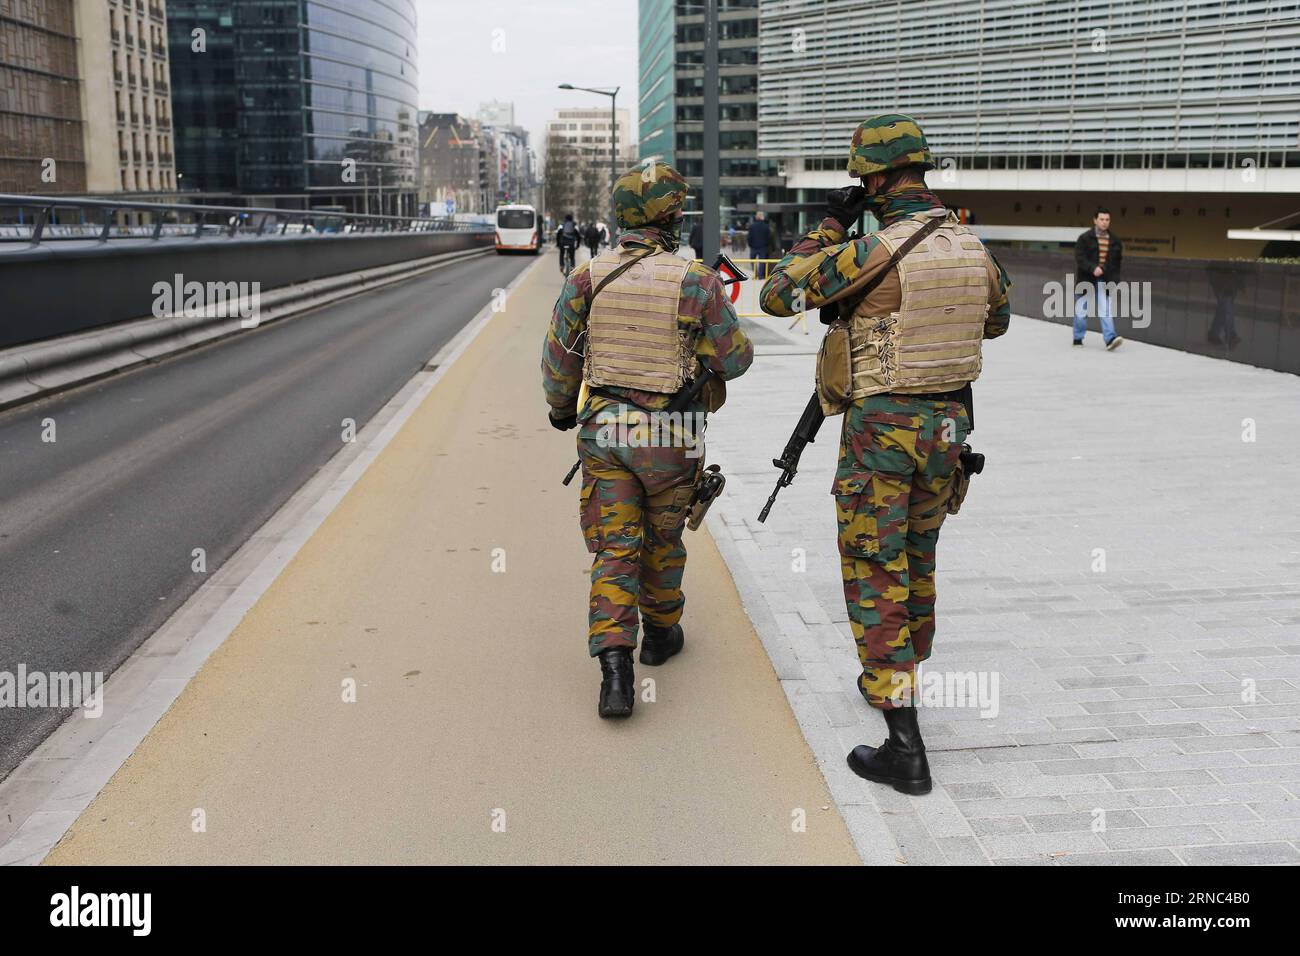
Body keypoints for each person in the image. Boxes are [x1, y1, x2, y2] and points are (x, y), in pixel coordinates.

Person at [759, 114, 1011, 795]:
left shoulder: (874, 252)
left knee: (875, 562)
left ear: (872, 177)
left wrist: (828, 228)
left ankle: (904, 746)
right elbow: (999, 318)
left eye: (861, 179)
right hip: (951, 430)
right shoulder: (972, 248)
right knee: (919, 554)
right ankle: (902, 670)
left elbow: (777, 292)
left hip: (884, 432)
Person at [541, 162, 754, 718]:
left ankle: (615, 672)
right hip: (673, 437)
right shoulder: (697, 280)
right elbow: (736, 359)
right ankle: (660, 636)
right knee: (663, 542)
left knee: (615, 549)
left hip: (607, 435)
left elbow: (559, 357)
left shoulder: (587, 277)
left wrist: (563, 409)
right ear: (671, 218)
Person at [1073, 208, 1125, 350]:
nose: (1104, 222)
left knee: (1106, 310)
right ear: (1095, 220)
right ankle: (1078, 338)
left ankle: (1110, 339)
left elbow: (1116, 263)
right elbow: (1080, 257)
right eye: (1102, 219)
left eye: (1107, 220)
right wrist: (1092, 268)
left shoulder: (1115, 241)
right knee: (1081, 312)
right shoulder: (1084, 238)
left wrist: (1114, 280)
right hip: (1086, 279)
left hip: (1105, 280)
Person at [747, 211, 772, 278]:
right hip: (763, 247)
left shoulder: (752, 226)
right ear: (762, 217)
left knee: (753, 261)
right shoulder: (766, 226)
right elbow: (769, 237)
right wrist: (766, 244)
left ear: (756, 217)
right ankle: (760, 275)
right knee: (762, 262)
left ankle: (755, 274)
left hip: (753, 247)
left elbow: (749, 237)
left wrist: (750, 245)